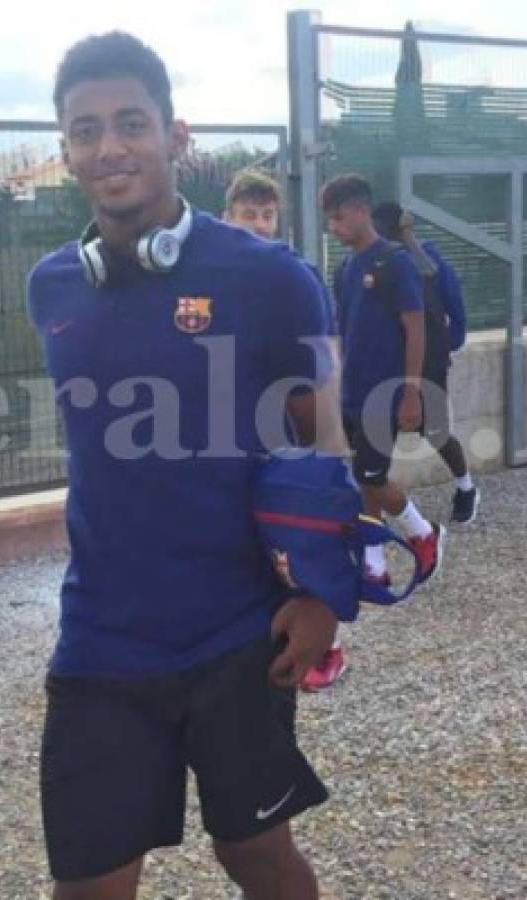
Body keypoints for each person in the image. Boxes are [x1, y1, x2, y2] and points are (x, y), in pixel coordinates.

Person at [28, 31, 352, 899]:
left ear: (176, 135)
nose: (109, 147)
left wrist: (324, 593)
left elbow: (321, 439)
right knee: (89, 884)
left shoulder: (269, 279)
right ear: (65, 150)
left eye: (130, 122)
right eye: (85, 130)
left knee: (255, 856)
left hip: (239, 632)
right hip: (100, 635)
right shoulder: (50, 287)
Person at [224, 168, 347, 691]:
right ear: (227, 216)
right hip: (229, 440)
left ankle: (330, 643)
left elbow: (325, 359)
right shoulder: (206, 276)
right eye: (248, 214)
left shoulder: (294, 276)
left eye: (267, 214)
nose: (258, 224)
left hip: (283, 434)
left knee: (301, 546)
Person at [321, 174, 445, 589]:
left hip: (386, 390)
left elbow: (416, 330)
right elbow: (345, 330)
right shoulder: (344, 268)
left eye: (338, 218)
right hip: (352, 389)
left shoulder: (394, 262)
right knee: (361, 475)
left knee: (372, 476)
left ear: (360, 211)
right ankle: (373, 562)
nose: (332, 228)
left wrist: (411, 392)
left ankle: (422, 532)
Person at [371, 202, 480, 525]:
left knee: (434, 430)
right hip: (387, 359)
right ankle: (374, 502)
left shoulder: (427, 260)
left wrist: (451, 342)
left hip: (428, 356)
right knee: (377, 433)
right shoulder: (376, 261)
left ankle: (466, 487)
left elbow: (452, 302)